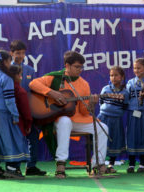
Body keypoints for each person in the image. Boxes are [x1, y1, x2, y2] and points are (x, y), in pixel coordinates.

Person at [29, 51, 109, 179]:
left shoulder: (84, 84)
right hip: (58, 119)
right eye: (77, 67)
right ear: (67, 65)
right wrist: (51, 93)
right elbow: (33, 84)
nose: (80, 70)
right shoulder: (55, 77)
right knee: (65, 121)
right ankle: (61, 163)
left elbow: (84, 111)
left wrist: (92, 104)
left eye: (81, 67)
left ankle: (97, 164)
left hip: (78, 120)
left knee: (103, 128)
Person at [0, 50, 30, 179]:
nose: (10, 63)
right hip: (3, 114)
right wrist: (15, 115)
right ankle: (11, 168)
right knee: (12, 140)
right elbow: (9, 100)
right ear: (3, 62)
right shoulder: (6, 78)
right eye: (9, 61)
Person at [10, 40, 46, 176]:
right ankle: (14, 167)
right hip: (12, 110)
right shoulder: (7, 70)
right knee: (17, 138)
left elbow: (34, 90)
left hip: (27, 110)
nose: (20, 55)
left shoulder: (30, 70)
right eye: (17, 53)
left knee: (33, 137)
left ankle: (31, 166)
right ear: (11, 53)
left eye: (23, 53)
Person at [97, 66, 129, 173]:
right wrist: (106, 111)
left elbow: (125, 107)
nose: (113, 78)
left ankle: (110, 165)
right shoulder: (105, 89)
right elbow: (101, 102)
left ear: (122, 77)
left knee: (114, 141)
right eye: (111, 75)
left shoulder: (125, 93)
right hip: (103, 118)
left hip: (116, 121)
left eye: (116, 75)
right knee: (101, 140)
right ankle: (98, 164)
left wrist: (115, 113)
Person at [126, 58, 144, 173]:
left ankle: (142, 164)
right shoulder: (130, 83)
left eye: (139, 68)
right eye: (134, 68)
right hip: (133, 113)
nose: (136, 70)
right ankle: (131, 164)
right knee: (132, 136)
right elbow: (126, 97)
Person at [9, 65, 33, 137]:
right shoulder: (20, 91)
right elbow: (26, 112)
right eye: (19, 74)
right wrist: (28, 125)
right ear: (14, 75)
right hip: (18, 125)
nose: (21, 77)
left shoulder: (1, 88)